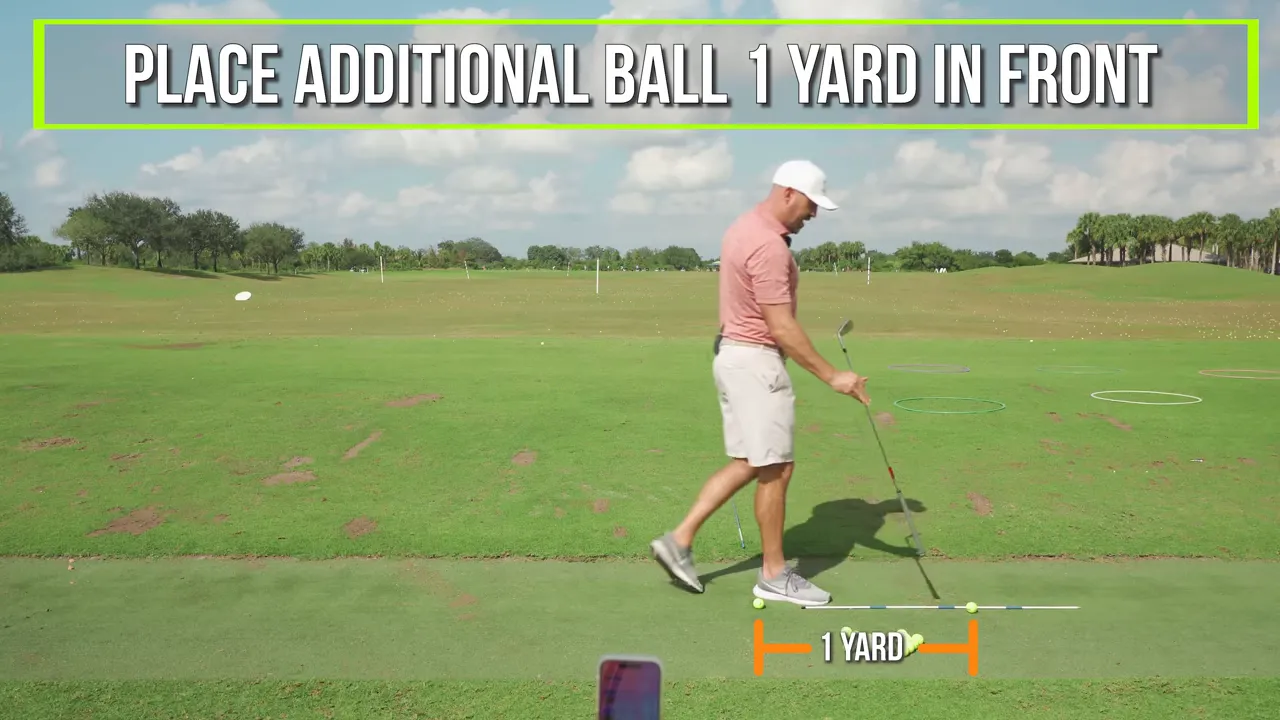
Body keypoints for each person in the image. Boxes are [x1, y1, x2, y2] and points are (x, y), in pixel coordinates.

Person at [649, 160, 871, 607]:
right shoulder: (769, 247)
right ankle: (773, 574)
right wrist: (834, 376)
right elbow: (781, 325)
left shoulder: (742, 227)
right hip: (755, 363)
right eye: (811, 204)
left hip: (733, 355)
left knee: (750, 461)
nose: (813, 215)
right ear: (789, 192)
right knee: (776, 468)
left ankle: (679, 539)